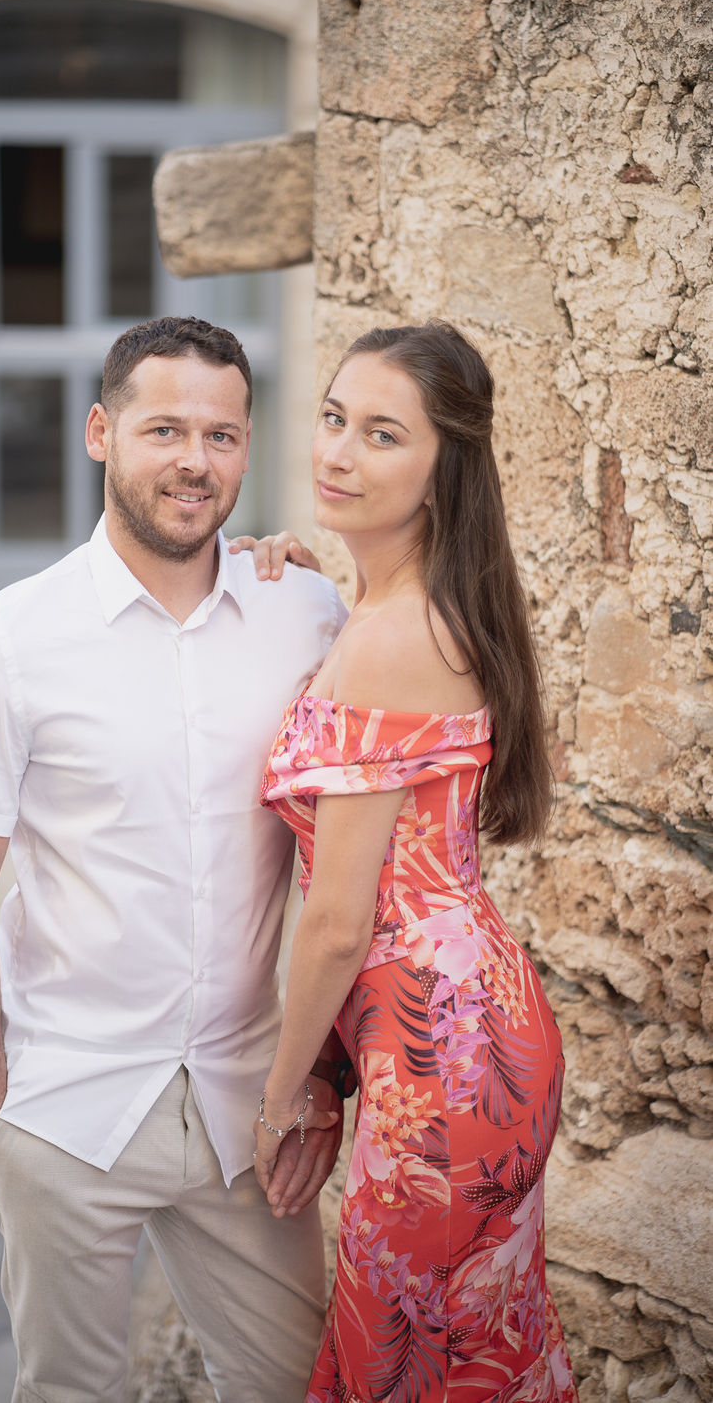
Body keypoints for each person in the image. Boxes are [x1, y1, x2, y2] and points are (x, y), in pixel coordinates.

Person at [0, 315, 350, 1403]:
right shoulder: (10, 638)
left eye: (221, 435)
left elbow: (346, 861)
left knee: (298, 1384)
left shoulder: (305, 611)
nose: (194, 461)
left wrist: (319, 1072)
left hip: (250, 1109)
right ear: (101, 432)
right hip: (65, 1106)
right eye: (164, 431)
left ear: (246, 448)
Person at [253, 322, 578, 1402]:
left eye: (382, 434)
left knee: (404, 1372)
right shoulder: (399, 611)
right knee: (469, 1363)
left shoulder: (392, 636)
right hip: (473, 1040)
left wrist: (282, 1096)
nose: (338, 453)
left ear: (446, 469)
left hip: (439, 1070)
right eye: (333, 418)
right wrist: (304, 589)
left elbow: (338, 923)